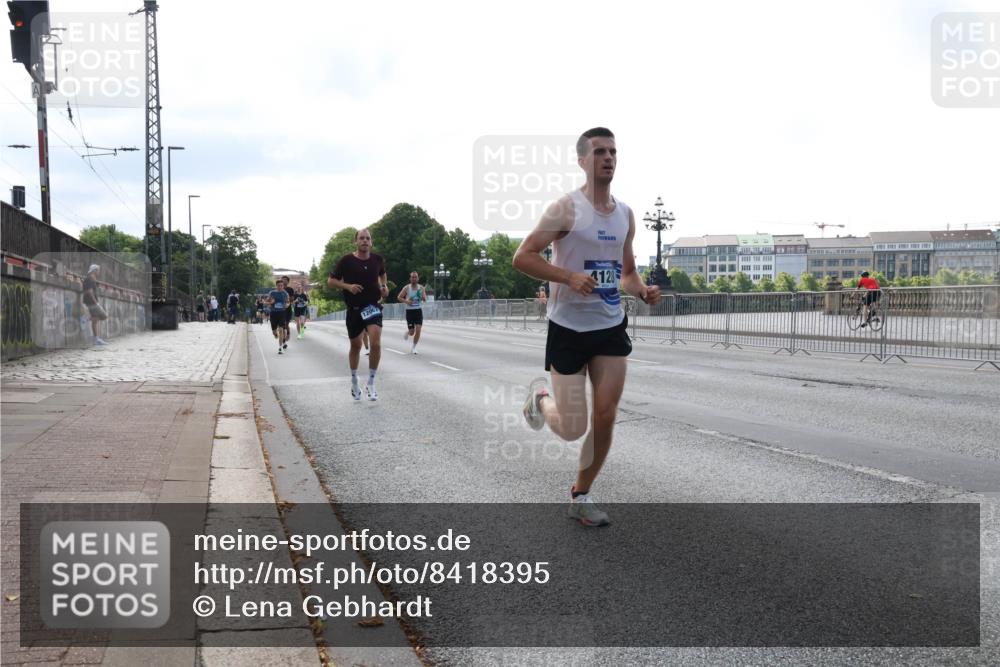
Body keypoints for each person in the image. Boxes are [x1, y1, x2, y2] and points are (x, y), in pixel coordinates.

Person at [512, 127, 661, 527]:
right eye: (599, 152)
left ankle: (581, 494)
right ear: (582, 160)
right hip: (567, 325)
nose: (608, 158)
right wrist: (567, 277)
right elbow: (523, 257)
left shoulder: (626, 215)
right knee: (572, 427)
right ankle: (540, 400)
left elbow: (626, 272)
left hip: (609, 324)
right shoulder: (566, 209)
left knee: (607, 413)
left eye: (613, 151)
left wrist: (642, 290)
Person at [327, 228, 388, 401]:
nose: (364, 241)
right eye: (361, 238)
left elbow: (382, 274)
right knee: (356, 346)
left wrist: (384, 287)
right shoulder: (346, 260)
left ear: (371, 241)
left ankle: (371, 382)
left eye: (367, 238)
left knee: (375, 343)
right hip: (354, 308)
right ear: (356, 241)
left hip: (372, 307)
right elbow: (331, 281)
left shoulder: (377, 259)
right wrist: (348, 287)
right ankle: (354, 379)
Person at [398, 271, 426, 354]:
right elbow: (399, 297)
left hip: (418, 311)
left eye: (415, 277)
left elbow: (424, 298)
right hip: (409, 312)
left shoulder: (421, 288)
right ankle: (408, 332)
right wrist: (407, 301)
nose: (414, 278)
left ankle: (414, 347)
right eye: (412, 277)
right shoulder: (407, 288)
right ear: (410, 279)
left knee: (418, 330)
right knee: (412, 332)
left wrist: (423, 297)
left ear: (418, 278)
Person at [81, 264, 109, 345]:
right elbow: (89, 291)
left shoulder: (90, 279)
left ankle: (96, 339)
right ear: (94, 270)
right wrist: (96, 302)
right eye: (98, 270)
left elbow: (87, 291)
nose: (99, 272)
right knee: (104, 316)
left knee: (95, 320)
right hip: (92, 302)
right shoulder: (90, 279)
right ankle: (85, 318)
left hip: (90, 302)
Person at [267, 279, 290, 354]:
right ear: (276, 286)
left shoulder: (285, 293)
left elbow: (288, 302)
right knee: (274, 332)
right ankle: (275, 333)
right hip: (273, 313)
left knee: (281, 330)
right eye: (279, 286)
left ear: (283, 286)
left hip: (282, 313)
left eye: (281, 286)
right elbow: (267, 301)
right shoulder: (272, 293)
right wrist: (271, 302)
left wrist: (286, 305)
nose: (280, 287)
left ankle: (280, 348)